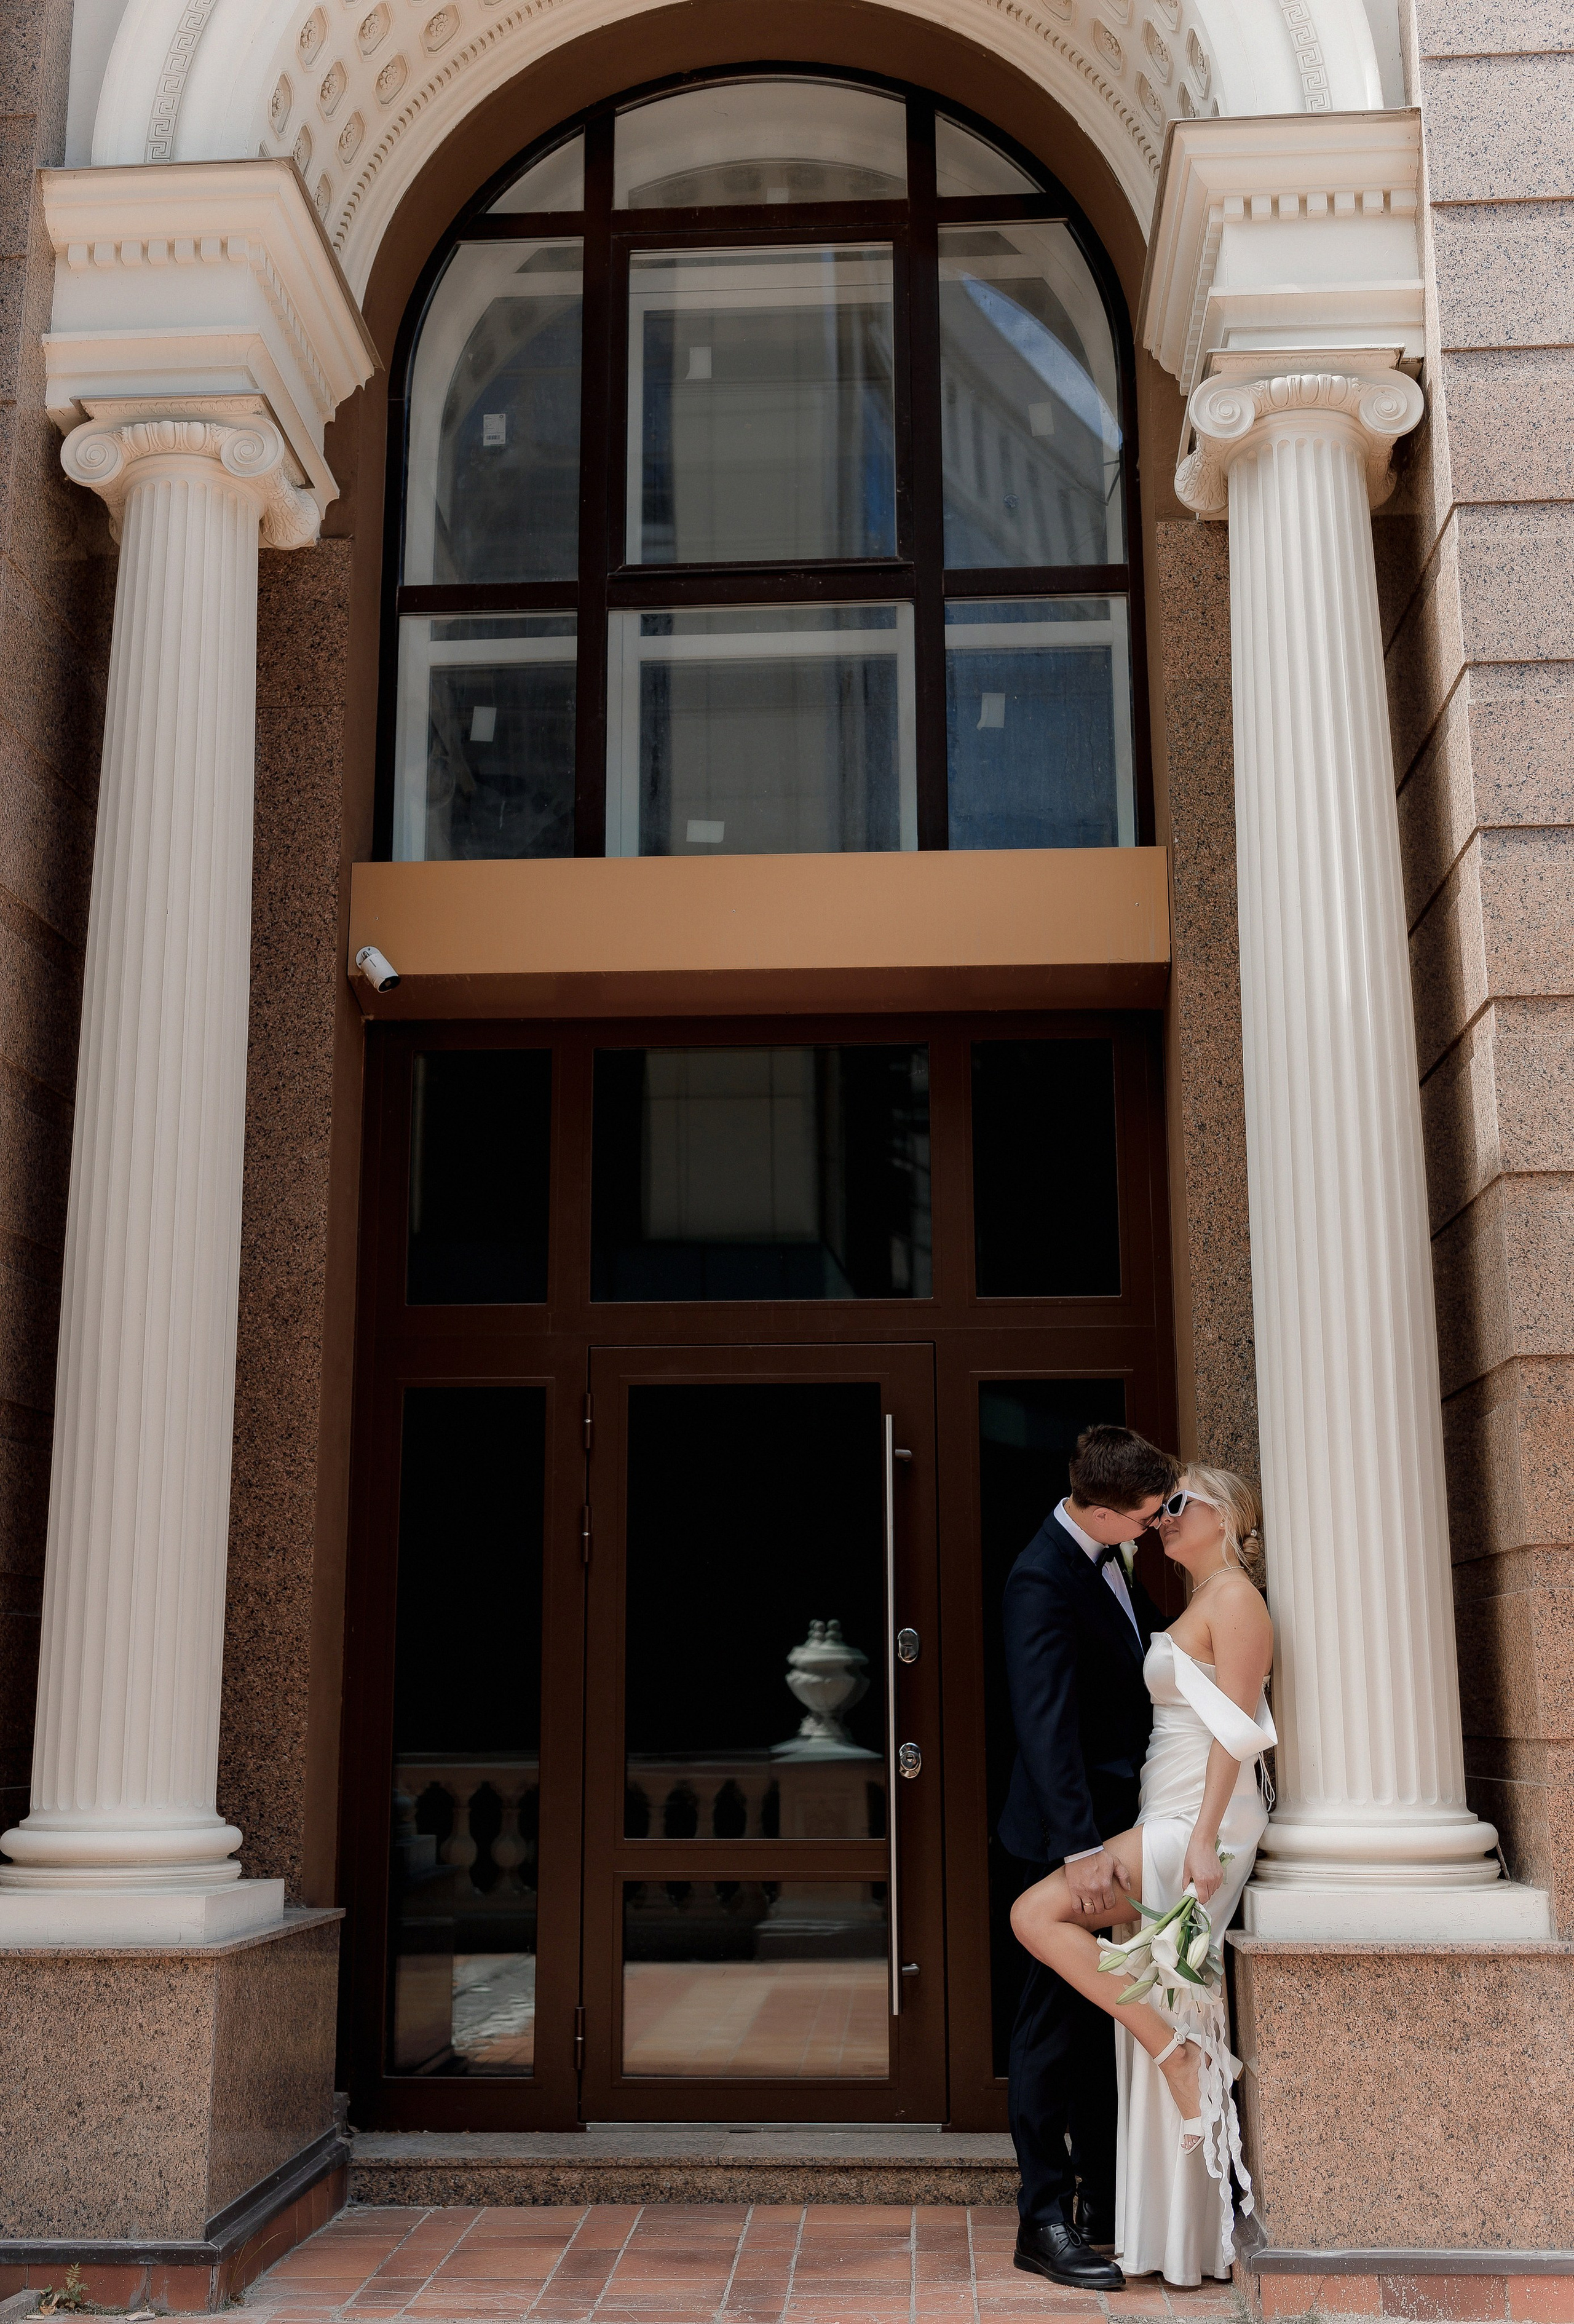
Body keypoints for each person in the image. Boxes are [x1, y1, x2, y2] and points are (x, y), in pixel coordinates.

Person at [1010, 1467, 1276, 2288]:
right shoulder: (1194, 1599)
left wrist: (1201, 1839)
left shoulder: (1234, 1599)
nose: (1164, 1516)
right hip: (1166, 1811)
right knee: (1166, 1982)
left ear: (1228, 1517)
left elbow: (1239, 1730)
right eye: (1159, 1506)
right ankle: (1178, 2229)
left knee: (1036, 1917)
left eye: (1179, 1503)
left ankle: (1176, 2057)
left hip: (1198, 1820)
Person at [999, 1421, 1179, 2292]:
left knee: (1106, 2011)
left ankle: (1104, 2200)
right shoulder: (1040, 1577)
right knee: (1050, 2026)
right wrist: (1078, 1849)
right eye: (1148, 1514)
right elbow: (1045, 1724)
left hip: (1124, 1823)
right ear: (1103, 1512)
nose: (1158, 1524)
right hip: (1069, 1840)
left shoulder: (1108, 1556)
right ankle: (1042, 2218)